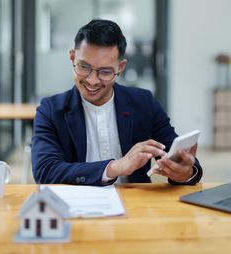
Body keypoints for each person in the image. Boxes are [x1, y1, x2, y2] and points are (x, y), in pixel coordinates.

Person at [32, 19, 203, 186]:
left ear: (120, 67)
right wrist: (115, 167)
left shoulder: (143, 102)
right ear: (72, 57)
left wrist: (185, 172)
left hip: (135, 207)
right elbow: (45, 171)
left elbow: (175, 156)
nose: (92, 80)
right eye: (84, 67)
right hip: (75, 206)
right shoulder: (50, 110)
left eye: (105, 71)